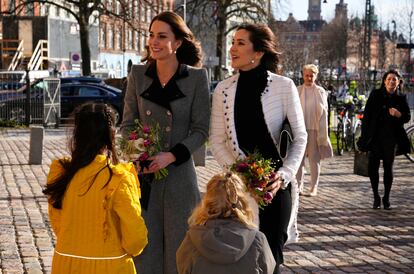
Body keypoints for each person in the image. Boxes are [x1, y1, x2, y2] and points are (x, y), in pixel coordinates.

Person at [210, 23, 307, 274]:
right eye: (233, 41)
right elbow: (217, 140)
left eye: (241, 43)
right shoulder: (223, 90)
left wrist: (284, 175)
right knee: (243, 261)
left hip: (275, 188)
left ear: (259, 52)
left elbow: (300, 137)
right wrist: (239, 173)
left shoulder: (284, 86)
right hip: (240, 191)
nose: (232, 48)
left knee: (272, 260)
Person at [121, 11, 210, 274]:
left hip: (179, 178)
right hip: (144, 178)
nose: (154, 41)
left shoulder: (196, 78)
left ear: (178, 43)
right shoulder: (138, 75)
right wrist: (137, 151)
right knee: (144, 253)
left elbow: (201, 130)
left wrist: (170, 156)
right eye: (151, 35)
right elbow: (127, 124)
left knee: (179, 254)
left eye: (162, 36)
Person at [43, 102, 148, 274]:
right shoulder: (119, 178)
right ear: (111, 135)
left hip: (66, 262)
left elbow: (58, 221)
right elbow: (135, 238)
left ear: (76, 134)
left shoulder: (61, 173)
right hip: (111, 266)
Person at [176, 172, 276, 274]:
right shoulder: (257, 239)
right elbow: (268, 269)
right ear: (242, 201)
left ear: (207, 201)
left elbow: (183, 268)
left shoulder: (192, 239)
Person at [357, 70, 410, 210]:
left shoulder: (401, 98)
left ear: (398, 82)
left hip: (391, 139)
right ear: (384, 81)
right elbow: (367, 116)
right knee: (373, 168)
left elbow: (407, 117)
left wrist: (399, 114)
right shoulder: (375, 94)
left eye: (394, 80)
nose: (391, 82)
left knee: (388, 168)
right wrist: (364, 136)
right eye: (389, 79)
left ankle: (386, 197)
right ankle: (376, 196)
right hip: (374, 138)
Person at [296, 64, 333, 196]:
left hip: (315, 129)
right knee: (298, 159)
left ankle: (313, 187)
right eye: (306, 75)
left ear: (315, 76)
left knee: (314, 159)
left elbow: (325, 111)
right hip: (299, 129)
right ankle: (298, 186)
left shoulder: (320, 91)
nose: (309, 78)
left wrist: (323, 131)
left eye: (311, 75)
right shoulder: (297, 90)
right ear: (303, 75)